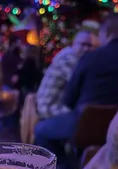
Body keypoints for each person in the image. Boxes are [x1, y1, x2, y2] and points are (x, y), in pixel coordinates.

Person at [34, 14, 118, 155]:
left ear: (105, 33)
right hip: (115, 125)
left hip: (87, 124)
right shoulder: (74, 56)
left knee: (41, 130)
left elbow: (69, 100)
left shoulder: (90, 58)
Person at [36, 30, 99, 119]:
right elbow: (81, 86)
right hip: (50, 109)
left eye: (89, 46)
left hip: (58, 106)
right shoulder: (69, 58)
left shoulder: (78, 59)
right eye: (83, 44)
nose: (86, 49)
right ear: (74, 44)